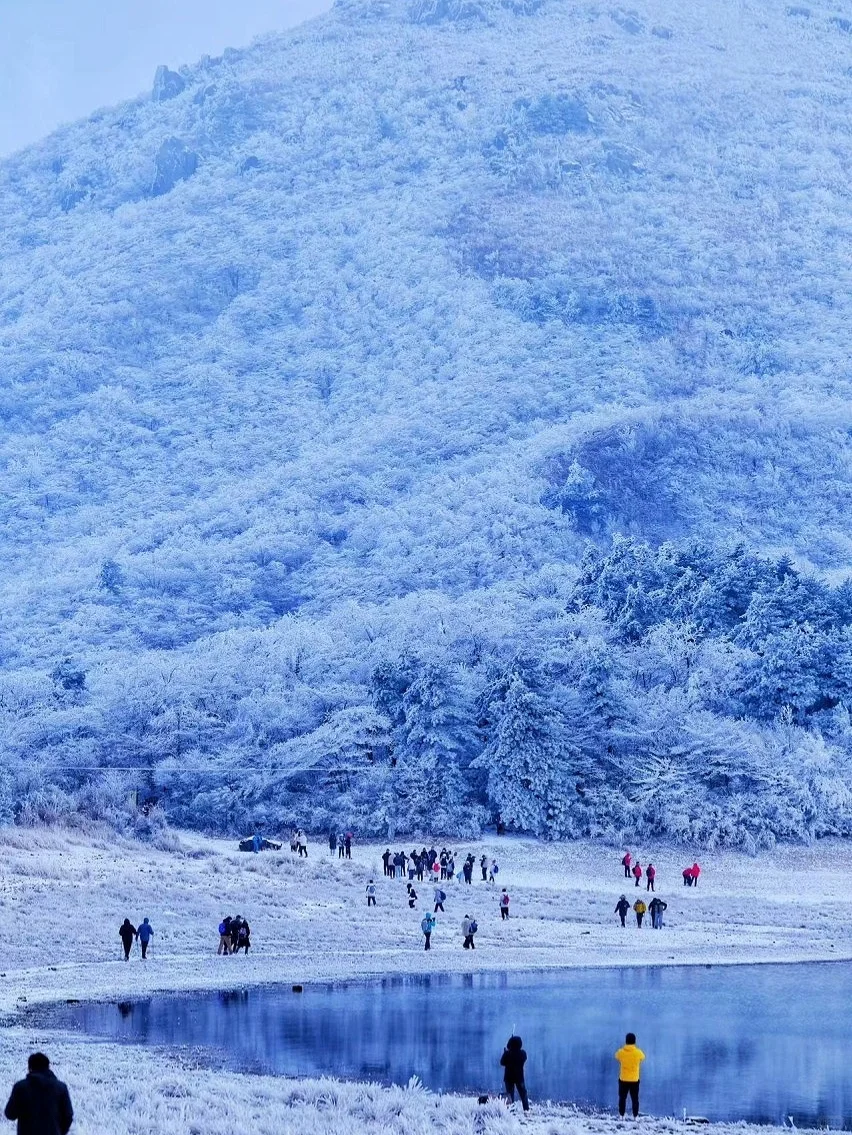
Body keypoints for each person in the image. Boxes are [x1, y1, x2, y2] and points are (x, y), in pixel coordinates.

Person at [4, 1053, 73, 1135]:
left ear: (30, 1068)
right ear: (48, 1067)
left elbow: (10, 1114)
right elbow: (68, 1116)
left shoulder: (21, 1087)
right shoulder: (61, 1087)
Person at [614, 1032, 645, 1118]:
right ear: (634, 1041)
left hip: (623, 1079)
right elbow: (643, 1057)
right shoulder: (638, 1053)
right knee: (635, 1099)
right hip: (634, 1080)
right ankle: (635, 1117)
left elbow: (616, 1056)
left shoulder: (621, 1052)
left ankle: (621, 1116)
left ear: (626, 1041)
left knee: (622, 1098)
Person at [500, 1035, 530, 1112]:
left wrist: (505, 1052)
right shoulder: (522, 1054)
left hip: (508, 1078)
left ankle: (511, 1111)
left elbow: (502, 1062)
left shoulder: (507, 1054)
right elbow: (525, 1058)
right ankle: (526, 1110)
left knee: (510, 1096)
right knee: (523, 1094)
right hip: (519, 1078)